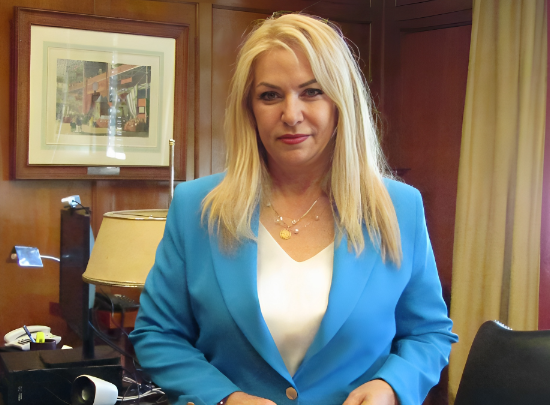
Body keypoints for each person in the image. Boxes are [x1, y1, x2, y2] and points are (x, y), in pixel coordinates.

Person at [130, 13, 457, 405]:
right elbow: (157, 334)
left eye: (312, 92)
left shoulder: (399, 208)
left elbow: (429, 334)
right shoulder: (196, 208)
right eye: (270, 96)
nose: (291, 114)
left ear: (341, 103)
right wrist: (225, 397)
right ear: (249, 109)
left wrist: (391, 386)